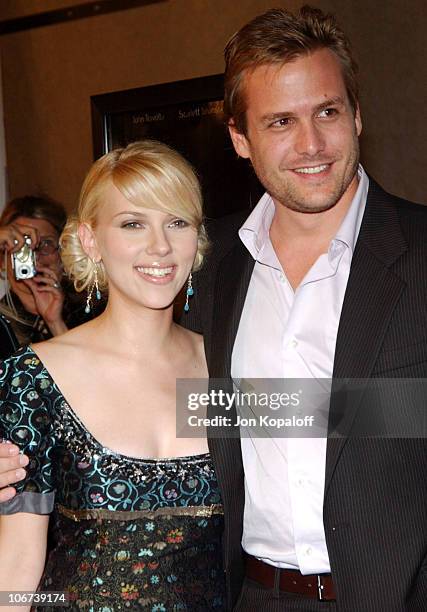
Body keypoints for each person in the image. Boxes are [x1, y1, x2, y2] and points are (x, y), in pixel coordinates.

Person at [2, 6, 427, 611]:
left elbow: (327, 417)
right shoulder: (209, 266)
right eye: (280, 121)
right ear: (239, 137)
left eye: (327, 112)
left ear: (357, 115)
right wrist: (26, 461)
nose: (311, 144)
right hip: (245, 594)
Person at [0, 140, 225, 611]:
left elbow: (356, 428)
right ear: (90, 241)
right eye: (133, 224)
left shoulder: (225, 367)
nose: (160, 246)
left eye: (177, 222)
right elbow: (17, 566)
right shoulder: (36, 377)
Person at [0, 196, 68, 358]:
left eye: (46, 244)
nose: (34, 256)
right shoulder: (2, 325)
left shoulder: (93, 308)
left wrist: (56, 324)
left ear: (63, 253)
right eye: (22, 247)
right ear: (2, 260)